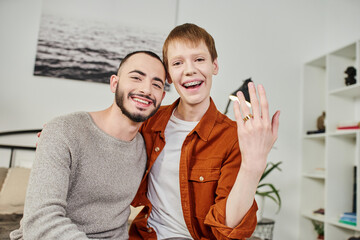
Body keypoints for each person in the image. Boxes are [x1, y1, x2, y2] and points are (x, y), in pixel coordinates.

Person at [129, 23, 280, 239]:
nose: (190, 69)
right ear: (169, 75)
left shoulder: (233, 137)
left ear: (214, 65)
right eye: (178, 63)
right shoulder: (150, 121)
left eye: (199, 59)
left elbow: (227, 230)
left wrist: (253, 167)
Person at [10, 51, 167, 240]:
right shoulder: (64, 131)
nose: (146, 90)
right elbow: (41, 221)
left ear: (162, 96)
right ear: (114, 83)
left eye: (156, 84)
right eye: (136, 77)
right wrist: (51, 137)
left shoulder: (149, 148)